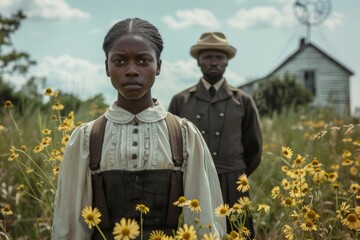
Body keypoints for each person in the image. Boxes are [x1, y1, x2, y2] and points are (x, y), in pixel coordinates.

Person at [51, 19, 226, 239]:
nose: (132, 70)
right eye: (120, 61)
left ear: (159, 66)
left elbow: (204, 222)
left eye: (143, 60)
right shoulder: (86, 138)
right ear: (107, 67)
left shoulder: (185, 135)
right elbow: (69, 225)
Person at [168, 32, 262, 238]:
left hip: (233, 183)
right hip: (192, 182)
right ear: (198, 62)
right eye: (207, 57)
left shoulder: (243, 101)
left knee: (237, 232)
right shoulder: (180, 101)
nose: (213, 62)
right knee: (195, 233)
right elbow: (171, 145)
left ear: (227, 61)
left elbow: (254, 150)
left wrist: (235, 174)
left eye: (219, 57)